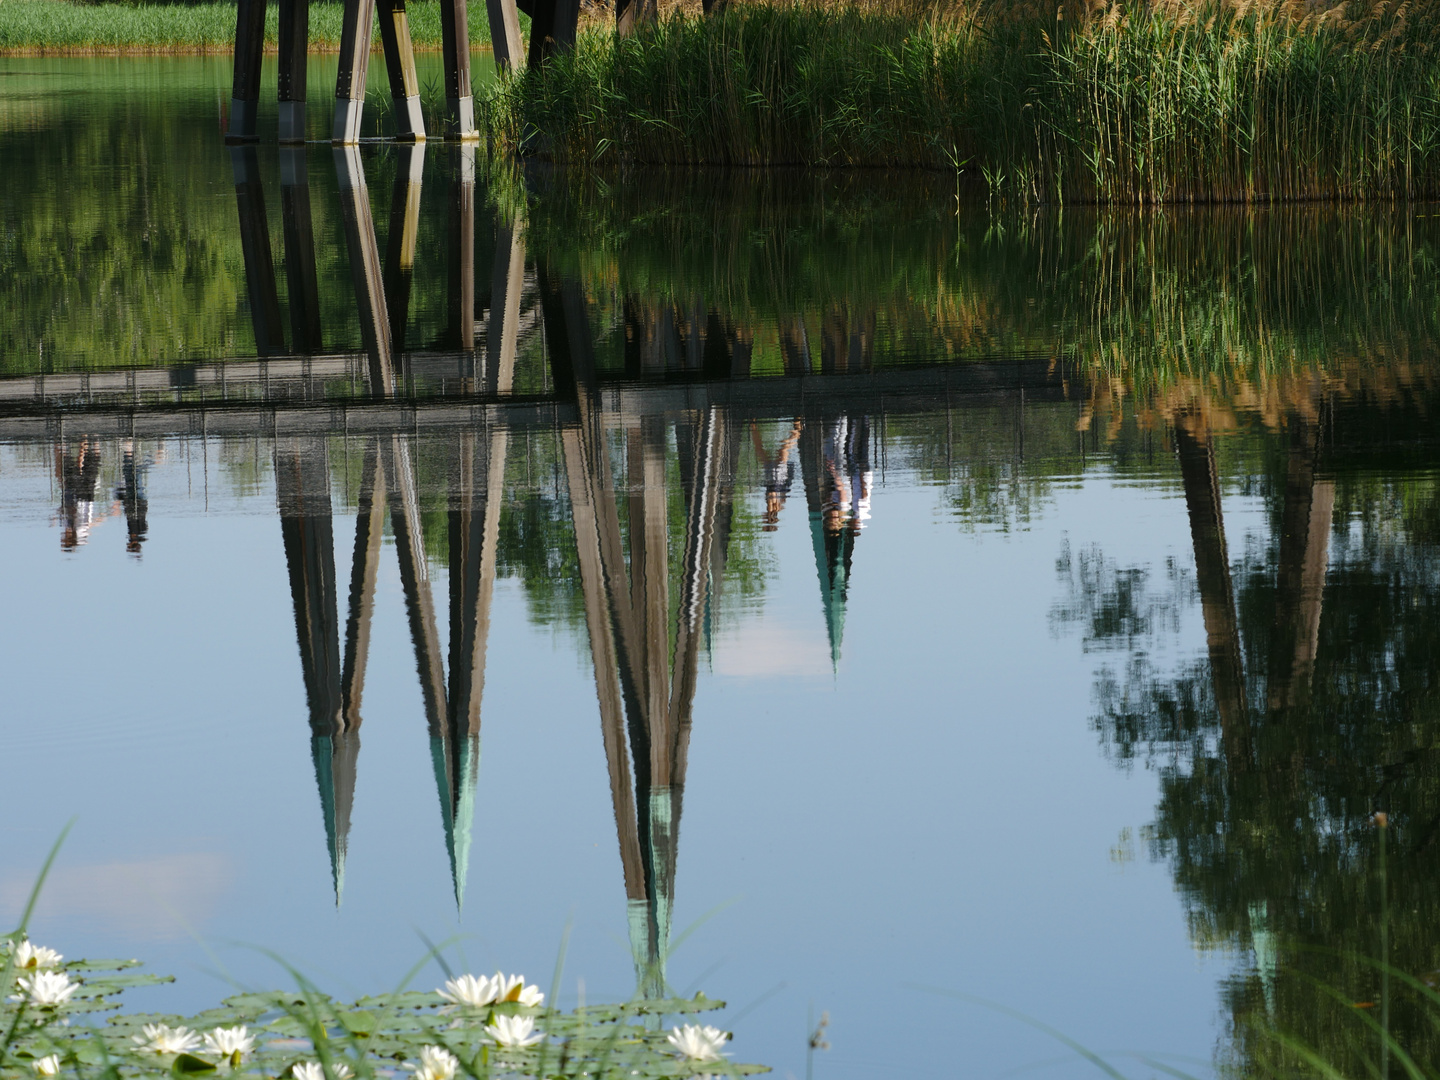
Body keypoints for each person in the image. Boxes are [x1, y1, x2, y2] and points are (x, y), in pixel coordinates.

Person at [751, 419, 803, 531]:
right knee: (783, 449)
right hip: (778, 477)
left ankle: (753, 426)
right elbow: (773, 498)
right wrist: (771, 513)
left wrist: (770, 514)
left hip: (770, 477)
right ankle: (797, 431)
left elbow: (770, 497)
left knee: (759, 449)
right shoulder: (779, 504)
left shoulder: (774, 503)